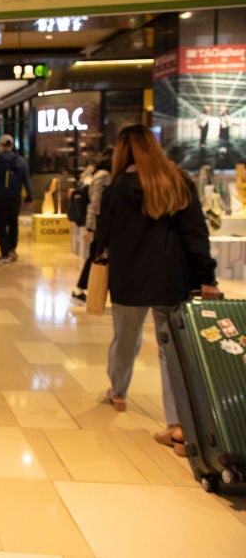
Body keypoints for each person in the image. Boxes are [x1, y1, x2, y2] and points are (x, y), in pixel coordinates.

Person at [93, 125, 219, 456]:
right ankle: (177, 425)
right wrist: (207, 276)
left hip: (129, 279)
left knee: (125, 339)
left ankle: (118, 392)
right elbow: (196, 235)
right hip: (171, 281)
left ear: (123, 152)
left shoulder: (117, 189)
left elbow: (101, 239)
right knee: (171, 351)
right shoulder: (179, 183)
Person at [0, 134, 33, 263]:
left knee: (1, 224)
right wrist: (30, 196)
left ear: (1, 146)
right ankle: (12, 250)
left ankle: (4, 253)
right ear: (12, 146)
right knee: (13, 223)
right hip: (14, 197)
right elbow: (27, 179)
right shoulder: (21, 161)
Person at [71, 151, 111, 304]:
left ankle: (82, 290)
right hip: (100, 224)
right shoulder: (104, 176)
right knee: (95, 257)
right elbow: (95, 203)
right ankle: (81, 289)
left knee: (95, 256)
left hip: (100, 223)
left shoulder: (99, 175)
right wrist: (90, 227)